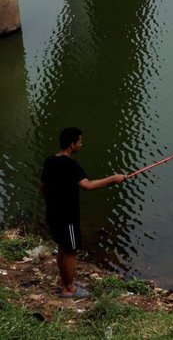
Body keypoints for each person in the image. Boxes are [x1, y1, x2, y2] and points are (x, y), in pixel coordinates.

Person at [40, 127, 126, 298]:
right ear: (72, 144)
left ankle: (66, 282)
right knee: (70, 251)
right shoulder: (71, 165)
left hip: (53, 213)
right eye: (79, 141)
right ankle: (69, 289)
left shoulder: (50, 161)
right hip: (67, 216)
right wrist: (113, 179)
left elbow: (43, 187)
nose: (81, 144)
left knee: (62, 248)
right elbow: (87, 185)